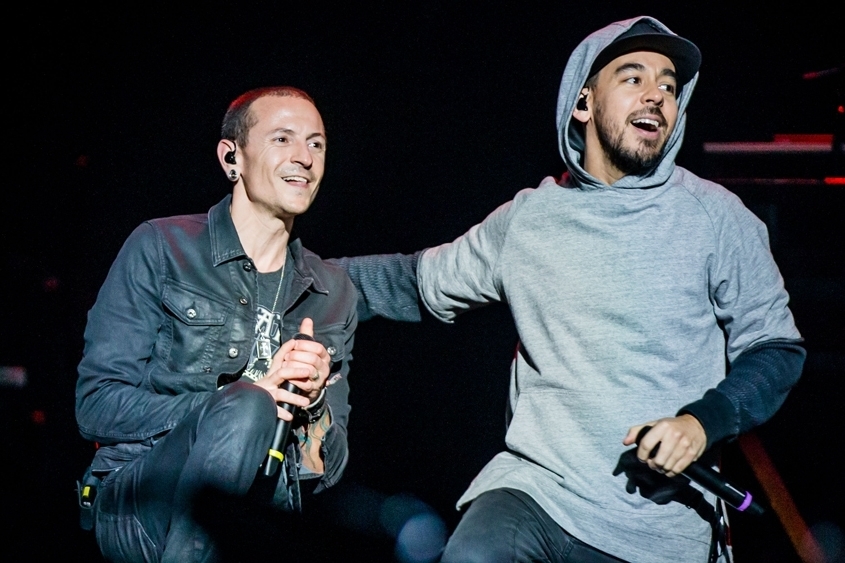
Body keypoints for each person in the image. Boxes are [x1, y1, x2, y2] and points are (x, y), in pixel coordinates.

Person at [335, 17, 805, 563]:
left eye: (669, 86)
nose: (656, 95)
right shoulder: (529, 219)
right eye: (633, 78)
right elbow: (408, 281)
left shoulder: (717, 219)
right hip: (538, 493)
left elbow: (776, 350)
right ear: (583, 102)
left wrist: (701, 424)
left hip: (656, 529)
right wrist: (281, 272)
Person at [75, 86, 358, 562]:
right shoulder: (162, 246)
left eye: (316, 143)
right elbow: (96, 405)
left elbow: (328, 471)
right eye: (282, 138)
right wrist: (233, 404)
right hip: (143, 500)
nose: (305, 158)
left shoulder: (333, 291)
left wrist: (314, 405)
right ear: (232, 157)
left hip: (260, 512)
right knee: (248, 404)